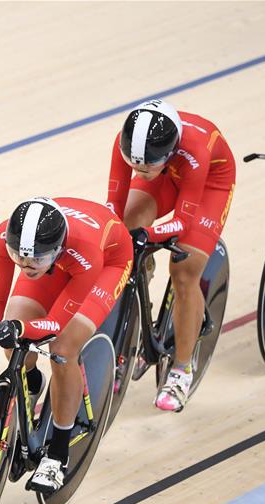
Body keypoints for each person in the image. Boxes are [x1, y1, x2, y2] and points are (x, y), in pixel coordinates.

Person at [0, 196, 133, 493]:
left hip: (107, 263)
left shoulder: (86, 254)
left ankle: (57, 454)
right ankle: (31, 380)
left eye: (35, 260)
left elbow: (55, 324)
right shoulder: (9, 238)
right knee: (14, 344)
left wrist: (19, 327)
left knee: (62, 351)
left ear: (56, 249)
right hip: (58, 261)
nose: (26, 265)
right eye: (19, 258)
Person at [106, 99, 235, 412]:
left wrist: (149, 236)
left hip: (207, 187)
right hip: (165, 176)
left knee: (185, 270)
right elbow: (113, 207)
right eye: (135, 164)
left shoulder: (195, 151)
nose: (138, 170)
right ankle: (138, 300)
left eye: (145, 165)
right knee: (126, 228)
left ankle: (181, 371)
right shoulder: (131, 147)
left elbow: (182, 223)